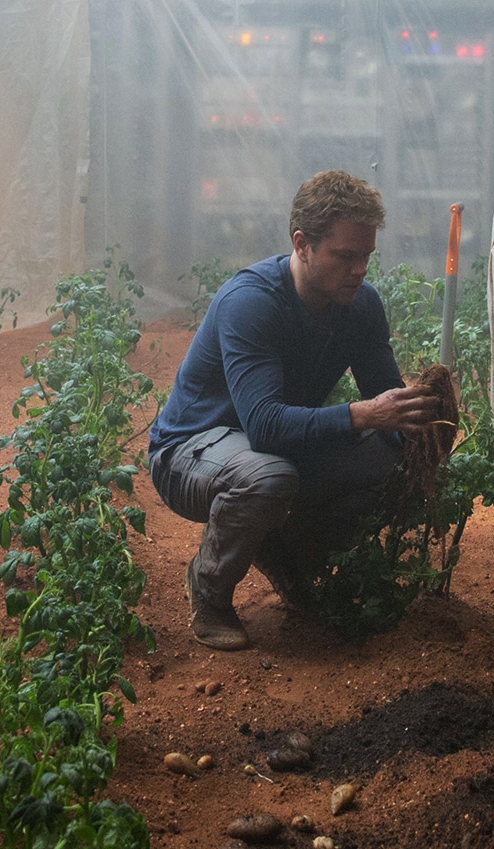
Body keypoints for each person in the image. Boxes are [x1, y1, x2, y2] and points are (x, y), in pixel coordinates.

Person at [148, 170, 438, 650]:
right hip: (191, 450)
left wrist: (419, 419)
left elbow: (386, 400)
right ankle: (209, 590)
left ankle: (286, 551)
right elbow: (263, 426)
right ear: (302, 244)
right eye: (345, 256)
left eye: (365, 256)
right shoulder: (252, 303)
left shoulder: (360, 306)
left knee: (392, 460)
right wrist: (364, 415)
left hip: (276, 451)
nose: (360, 269)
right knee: (268, 478)